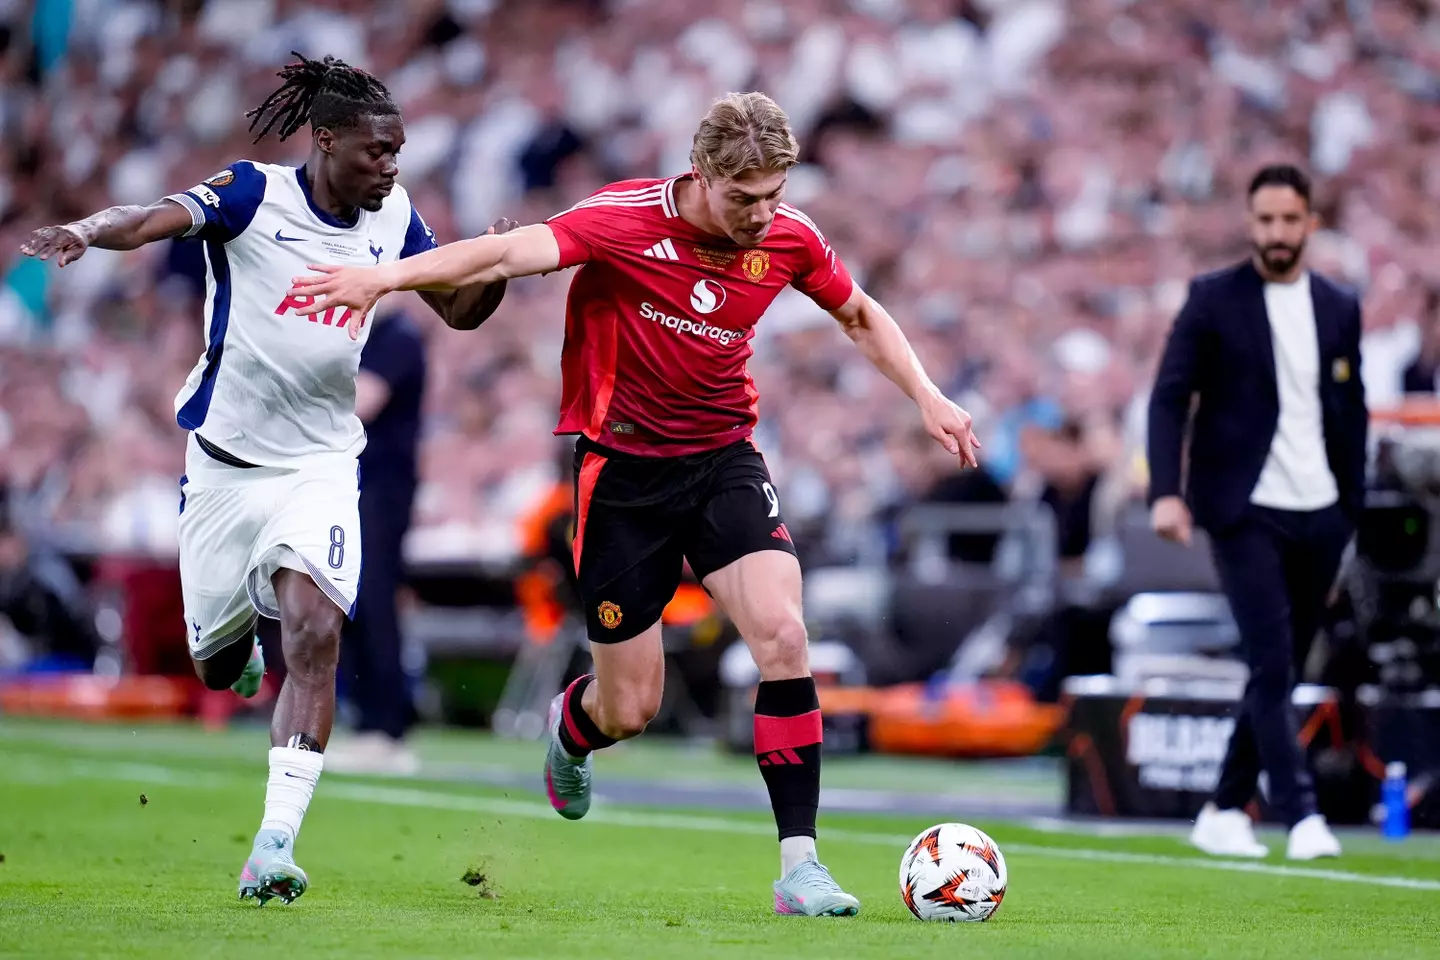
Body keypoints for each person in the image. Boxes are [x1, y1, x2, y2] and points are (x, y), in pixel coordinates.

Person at [290, 91, 981, 917]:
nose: (763, 215)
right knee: (630, 707)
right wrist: (384, 278)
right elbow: (502, 258)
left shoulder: (790, 238)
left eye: (775, 195)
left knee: (785, 634)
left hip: (724, 458)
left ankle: (800, 868)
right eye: (744, 198)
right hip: (621, 478)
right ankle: (572, 729)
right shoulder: (622, 219)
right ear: (701, 176)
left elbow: (860, 314)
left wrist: (929, 397)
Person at [19, 52, 514, 905]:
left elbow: (460, 311)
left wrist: (494, 266)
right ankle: (237, 646)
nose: (392, 167)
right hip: (223, 469)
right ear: (322, 141)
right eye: (376, 152)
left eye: (398, 152)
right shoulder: (253, 195)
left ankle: (273, 845)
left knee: (316, 632)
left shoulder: (393, 212)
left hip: (320, 462)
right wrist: (86, 231)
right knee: (217, 669)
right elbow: (149, 219)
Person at [1147, 163, 1366, 861]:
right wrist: (1166, 492)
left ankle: (1222, 808)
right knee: (1272, 660)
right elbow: (1168, 398)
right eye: (1265, 220)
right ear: (1250, 223)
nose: (1276, 233)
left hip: (1323, 509)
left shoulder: (1339, 305)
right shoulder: (1213, 299)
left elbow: (1349, 411)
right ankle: (1300, 815)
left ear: (1310, 223)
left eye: (1288, 220)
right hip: (1243, 509)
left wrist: (1351, 504)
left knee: (1284, 667)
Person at [326, 302, 428, 776]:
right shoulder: (365, 337)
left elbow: (360, 403)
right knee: (353, 600)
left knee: (375, 601)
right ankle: (368, 721)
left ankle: (388, 726)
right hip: (352, 483)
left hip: (382, 488)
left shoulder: (397, 336)